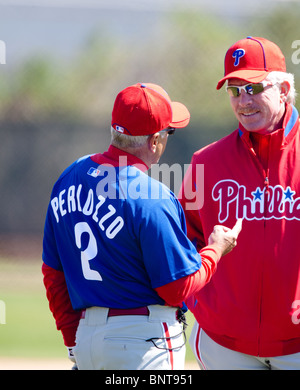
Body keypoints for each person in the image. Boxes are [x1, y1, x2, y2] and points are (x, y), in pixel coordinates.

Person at [42, 82, 242, 370]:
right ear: (155, 141)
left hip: (88, 336)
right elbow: (178, 287)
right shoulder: (153, 197)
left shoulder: (69, 178)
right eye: (168, 132)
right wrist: (215, 250)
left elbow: (53, 271)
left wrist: (74, 339)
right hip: (144, 342)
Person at [179, 36, 300, 370]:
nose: (243, 100)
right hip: (225, 343)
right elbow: (183, 239)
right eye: (234, 89)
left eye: (253, 88)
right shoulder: (206, 162)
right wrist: (199, 301)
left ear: (284, 90)